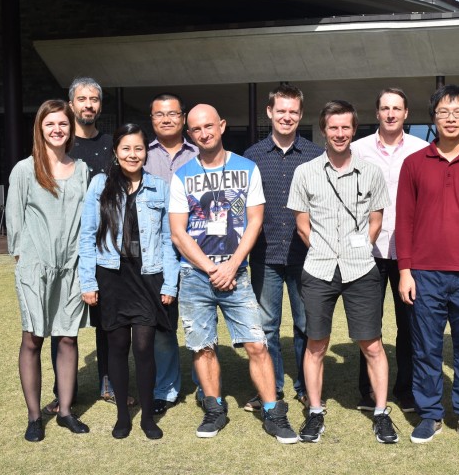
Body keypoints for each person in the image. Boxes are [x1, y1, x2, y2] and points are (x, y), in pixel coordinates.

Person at [169, 104, 298, 444]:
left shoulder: (246, 168)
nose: (204, 133)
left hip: (236, 272)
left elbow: (254, 220)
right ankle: (214, 409)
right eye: (196, 129)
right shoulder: (182, 175)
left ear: (222, 126)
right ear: (189, 134)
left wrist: (232, 264)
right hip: (195, 275)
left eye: (209, 126)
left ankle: (272, 411)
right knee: (203, 346)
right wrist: (211, 267)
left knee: (256, 344)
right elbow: (178, 233)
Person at [395, 85, 459, 447]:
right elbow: (404, 221)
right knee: (425, 347)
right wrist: (405, 271)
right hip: (424, 274)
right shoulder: (414, 163)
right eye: (443, 112)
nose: (451, 119)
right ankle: (429, 414)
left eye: (458, 112)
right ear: (433, 118)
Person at [288, 100, 398, 444]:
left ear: (354, 129)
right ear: (323, 130)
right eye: (333, 127)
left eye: (345, 127)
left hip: (360, 269)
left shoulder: (370, 172)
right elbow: (302, 224)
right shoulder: (305, 172)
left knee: (372, 344)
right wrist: (324, 250)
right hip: (319, 269)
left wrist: (359, 248)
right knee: (316, 344)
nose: (339, 133)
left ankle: (381, 413)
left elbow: (376, 220)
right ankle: (315, 411)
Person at [79, 123, 179, 440]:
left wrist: (170, 284)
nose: (133, 154)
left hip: (148, 275)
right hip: (111, 276)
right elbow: (87, 236)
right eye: (126, 148)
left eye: (138, 148)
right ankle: (123, 415)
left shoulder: (159, 187)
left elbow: (169, 240)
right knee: (118, 345)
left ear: (146, 152)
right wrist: (87, 282)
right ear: (116, 152)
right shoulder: (100, 185)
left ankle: (148, 416)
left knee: (144, 346)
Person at [7, 99, 90, 442]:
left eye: (63, 124)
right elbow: (15, 222)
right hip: (36, 266)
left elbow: (87, 220)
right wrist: (25, 261)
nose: (57, 129)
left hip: (72, 266)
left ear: (71, 129)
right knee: (33, 338)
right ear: (39, 128)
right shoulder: (24, 170)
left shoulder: (82, 170)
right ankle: (34, 416)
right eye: (50, 124)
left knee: (68, 336)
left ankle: (66, 411)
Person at [242, 84, 322, 411]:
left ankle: (305, 387)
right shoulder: (252, 157)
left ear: (301, 115)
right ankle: (271, 387)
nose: (287, 117)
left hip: (306, 255)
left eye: (293, 112)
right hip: (265, 255)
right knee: (267, 327)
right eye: (281, 111)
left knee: (305, 325)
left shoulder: (316, 155)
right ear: (270, 112)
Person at [350, 87, 428, 412]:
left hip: (409, 252)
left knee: (409, 325)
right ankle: (368, 389)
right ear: (377, 113)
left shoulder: (422, 150)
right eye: (385, 108)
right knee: (368, 323)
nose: (391, 114)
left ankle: (405, 389)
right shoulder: (358, 149)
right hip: (369, 249)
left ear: (406, 113)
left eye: (397, 108)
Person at [43, 77, 117, 416]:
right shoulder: (60, 144)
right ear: (71, 103)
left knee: (107, 321)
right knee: (63, 324)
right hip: (63, 249)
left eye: (94, 99)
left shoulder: (111, 145)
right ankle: (64, 393)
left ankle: (109, 383)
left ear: (100, 105)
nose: (88, 104)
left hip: (104, 247)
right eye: (82, 99)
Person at [143, 93, 199, 415]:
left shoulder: (199, 153)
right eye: (159, 114)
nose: (166, 119)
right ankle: (166, 389)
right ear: (152, 119)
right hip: (155, 256)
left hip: (196, 253)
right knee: (163, 327)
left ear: (183, 117)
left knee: (200, 323)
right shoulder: (143, 155)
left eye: (173, 114)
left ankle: (206, 387)